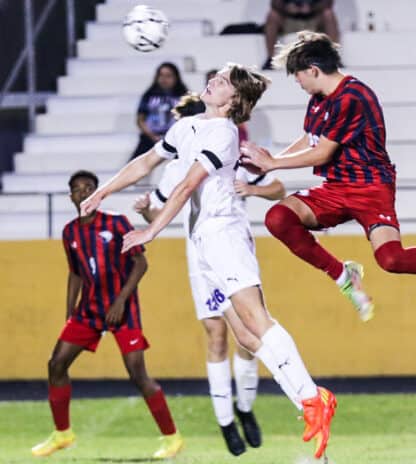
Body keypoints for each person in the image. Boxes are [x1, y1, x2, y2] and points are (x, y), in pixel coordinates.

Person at [80, 63, 337, 460]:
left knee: (256, 319)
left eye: (222, 82)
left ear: (234, 100)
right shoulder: (187, 127)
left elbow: (187, 186)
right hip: (202, 240)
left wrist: (151, 230)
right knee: (245, 336)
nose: (212, 82)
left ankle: (313, 398)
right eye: (215, 78)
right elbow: (146, 162)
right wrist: (103, 193)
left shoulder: (223, 133)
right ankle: (308, 401)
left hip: (223, 232)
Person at [240, 31, 416, 324]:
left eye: (298, 75)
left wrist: (273, 164)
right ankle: (343, 274)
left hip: (371, 187)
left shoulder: (352, 97)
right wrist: (272, 160)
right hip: (337, 187)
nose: (297, 82)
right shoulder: (320, 98)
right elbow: (311, 139)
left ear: (313, 70)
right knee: (278, 218)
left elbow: (322, 153)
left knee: (392, 260)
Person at [132, 95, 286, 456]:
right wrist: (145, 214)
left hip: (232, 247)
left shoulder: (229, 148)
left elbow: (278, 188)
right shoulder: (174, 171)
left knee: (248, 334)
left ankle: (245, 408)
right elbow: (158, 215)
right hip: (199, 255)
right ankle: (226, 422)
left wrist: (253, 189)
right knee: (216, 334)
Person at [31, 171, 183, 459]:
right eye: (77, 189)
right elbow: (75, 273)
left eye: (89, 188)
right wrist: (70, 314)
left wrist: (121, 301)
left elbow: (140, 263)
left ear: (98, 193)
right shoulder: (70, 232)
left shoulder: (116, 223)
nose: (83, 192)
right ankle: (62, 433)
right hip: (88, 311)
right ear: (71, 196)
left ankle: (171, 438)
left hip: (123, 310)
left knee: (138, 374)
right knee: (56, 364)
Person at [131, 62, 189, 160]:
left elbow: (189, 120)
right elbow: (140, 119)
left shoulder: (184, 97)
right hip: (150, 137)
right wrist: (153, 136)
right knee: (134, 163)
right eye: (161, 75)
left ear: (176, 77)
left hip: (176, 138)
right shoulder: (149, 95)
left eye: (168, 76)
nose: (164, 79)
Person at [262, 1, 339, 70]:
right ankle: (271, 59)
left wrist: (312, 8)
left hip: (313, 19)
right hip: (289, 20)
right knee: (272, 15)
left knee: (328, 14)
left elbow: (328, 3)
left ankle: (333, 57)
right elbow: (274, 3)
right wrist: (287, 8)